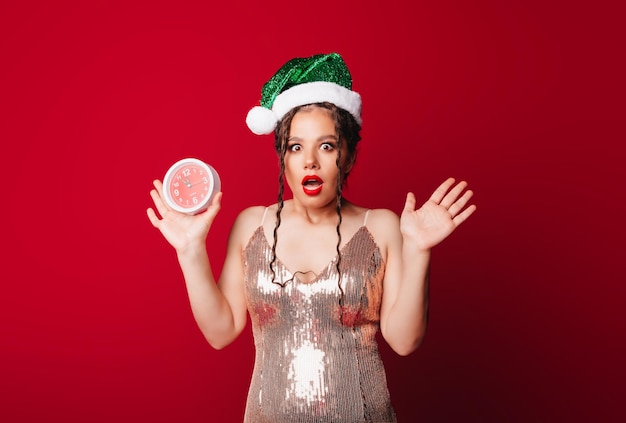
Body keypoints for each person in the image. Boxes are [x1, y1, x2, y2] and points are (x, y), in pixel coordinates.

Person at [147, 52, 476, 422]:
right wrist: (190, 251)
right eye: (296, 147)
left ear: (348, 156)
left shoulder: (381, 226)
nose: (310, 162)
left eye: (327, 146)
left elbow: (404, 341)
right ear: (282, 157)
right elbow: (221, 332)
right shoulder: (250, 226)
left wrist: (418, 250)